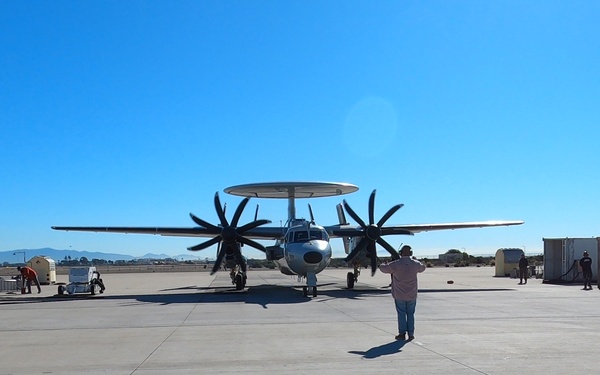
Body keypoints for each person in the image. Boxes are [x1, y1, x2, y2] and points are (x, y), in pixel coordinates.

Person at [379, 245, 426, 341]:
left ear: (400, 253)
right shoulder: (415, 264)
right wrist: (418, 261)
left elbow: (384, 269)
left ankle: (402, 333)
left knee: (401, 314)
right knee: (411, 314)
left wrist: (382, 264)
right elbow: (423, 267)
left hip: (399, 294)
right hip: (412, 294)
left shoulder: (396, 264)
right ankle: (411, 334)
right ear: (411, 253)